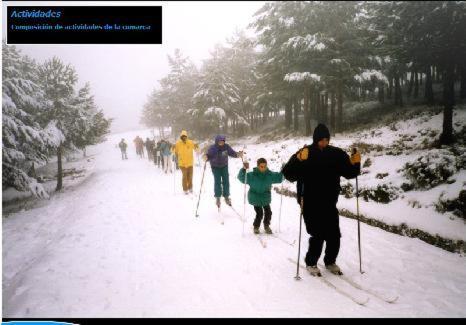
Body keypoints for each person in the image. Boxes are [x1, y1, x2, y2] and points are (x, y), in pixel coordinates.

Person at [281, 123, 361, 276]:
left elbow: (350, 173)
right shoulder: (305, 153)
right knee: (318, 234)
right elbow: (288, 174)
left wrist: (356, 163)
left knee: (334, 234)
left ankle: (330, 261)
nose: (324, 142)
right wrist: (298, 160)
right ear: (315, 139)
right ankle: (311, 263)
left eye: (327, 140)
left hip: (329, 201)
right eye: (321, 140)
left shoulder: (336, 154)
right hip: (309, 201)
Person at [238, 158, 283, 234]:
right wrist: (243, 169)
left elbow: (279, 178)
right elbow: (241, 178)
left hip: (265, 198)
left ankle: (266, 226)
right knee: (260, 213)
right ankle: (256, 227)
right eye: (261, 166)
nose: (263, 168)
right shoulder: (252, 175)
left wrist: (284, 170)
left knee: (268, 212)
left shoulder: (270, 175)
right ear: (258, 166)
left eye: (265, 166)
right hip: (255, 198)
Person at [205, 135, 243, 207]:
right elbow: (208, 156)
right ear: (217, 141)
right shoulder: (212, 148)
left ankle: (226, 197)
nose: (221, 143)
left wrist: (238, 154)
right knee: (217, 182)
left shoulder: (226, 147)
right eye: (220, 141)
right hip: (215, 167)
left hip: (224, 166)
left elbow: (232, 153)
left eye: (223, 141)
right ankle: (218, 197)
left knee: (226, 181)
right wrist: (206, 157)